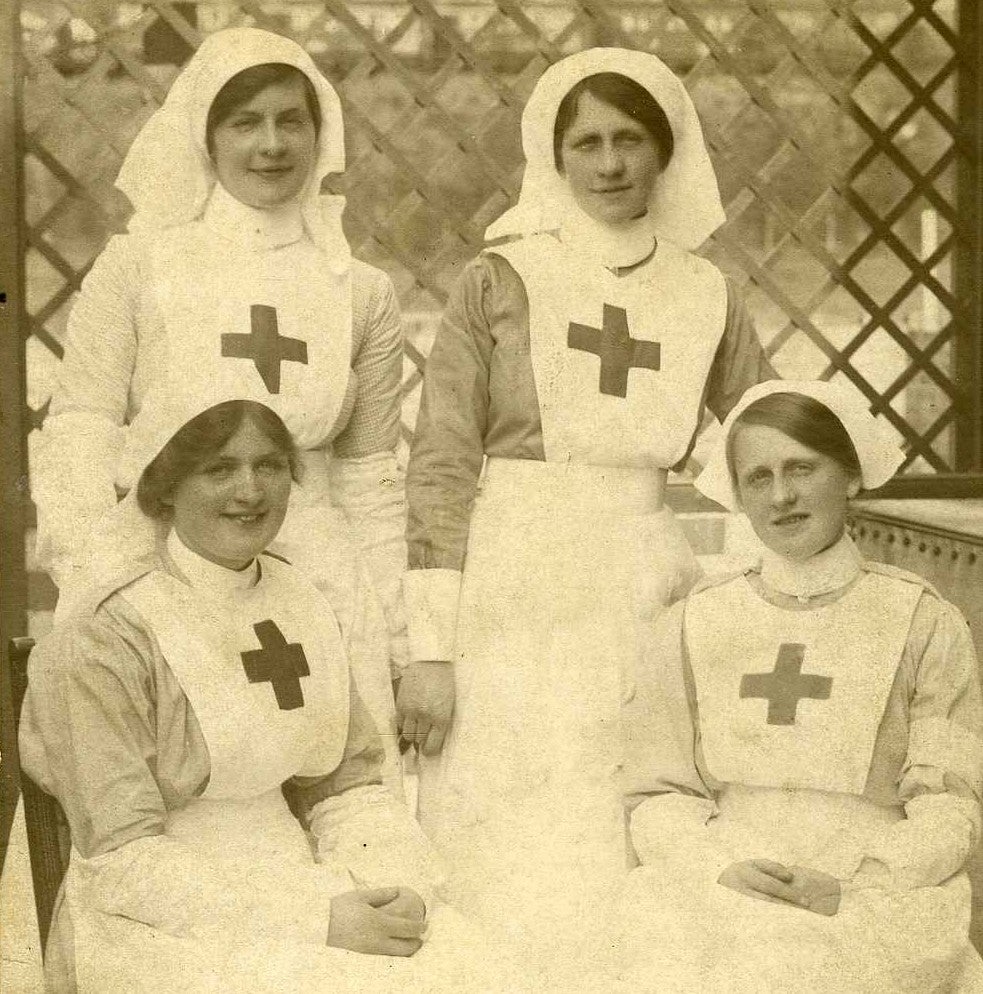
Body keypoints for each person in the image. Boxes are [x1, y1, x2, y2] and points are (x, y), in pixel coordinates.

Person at [398, 46, 775, 968]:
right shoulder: (499, 280)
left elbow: (766, 441)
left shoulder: (705, 292)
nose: (609, 165)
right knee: (513, 838)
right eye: (587, 143)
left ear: (666, 150)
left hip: (646, 583)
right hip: (512, 587)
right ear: (553, 157)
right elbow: (441, 468)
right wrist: (431, 651)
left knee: (630, 820)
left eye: (629, 140)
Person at [19, 389, 513, 994]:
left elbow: (348, 788)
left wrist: (394, 882)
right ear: (166, 486)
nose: (249, 491)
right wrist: (316, 917)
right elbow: (122, 861)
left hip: (308, 880)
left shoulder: (300, 599)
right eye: (219, 468)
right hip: (161, 917)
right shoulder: (105, 634)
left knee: (480, 967)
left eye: (269, 466)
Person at [32, 28, 405, 784]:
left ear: (319, 132)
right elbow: (81, 427)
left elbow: (369, 477)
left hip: (323, 576)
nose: (270, 144)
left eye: (290, 120)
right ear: (206, 135)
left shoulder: (360, 290)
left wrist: (397, 637)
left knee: (345, 792)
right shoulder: (142, 265)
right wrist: (90, 576)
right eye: (245, 122)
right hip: (165, 570)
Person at [620, 380, 983, 993]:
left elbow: (948, 806)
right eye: (758, 478)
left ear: (850, 475)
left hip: (872, 886)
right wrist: (720, 866)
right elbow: (659, 794)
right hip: (727, 873)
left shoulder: (923, 620)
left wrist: (860, 882)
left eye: (801, 468)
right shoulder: (694, 620)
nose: (782, 496)